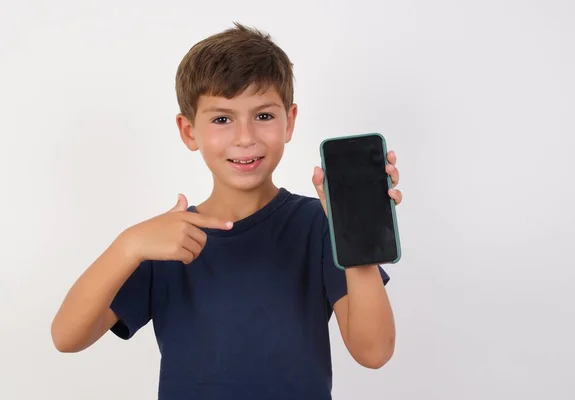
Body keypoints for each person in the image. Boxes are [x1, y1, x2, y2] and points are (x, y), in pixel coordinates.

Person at [50, 22, 403, 399]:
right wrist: (128, 245)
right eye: (222, 119)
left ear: (290, 121)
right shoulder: (166, 241)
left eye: (263, 116)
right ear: (189, 131)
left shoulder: (318, 225)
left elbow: (374, 352)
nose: (245, 137)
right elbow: (68, 337)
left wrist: (355, 232)